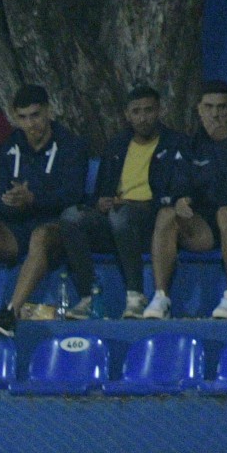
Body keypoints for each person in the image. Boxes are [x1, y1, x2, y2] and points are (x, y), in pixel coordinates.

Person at [0, 85, 91, 338]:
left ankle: (10, 313)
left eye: (35, 115)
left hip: (54, 229)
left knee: (40, 237)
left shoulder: (71, 146)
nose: (30, 123)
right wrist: (10, 201)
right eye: (23, 117)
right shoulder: (9, 147)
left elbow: (73, 196)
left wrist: (33, 199)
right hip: (16, 227)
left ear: (48, 111)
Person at [55, 86, 184, 318]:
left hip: (152, 221)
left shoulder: (175, 143)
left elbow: (175, 193)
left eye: (149, 110)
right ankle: (88, 297)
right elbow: (99, 193)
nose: (143, 118)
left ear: (159, 111)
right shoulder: (117, 145)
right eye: (136, 112)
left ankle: (135, 296)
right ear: (127, 114)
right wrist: (100, 204)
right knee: (71, 217)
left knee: (121, 215)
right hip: (117, 216)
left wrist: (137, 205)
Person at [147, 81, 227, 320]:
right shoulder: (191, 143)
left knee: (226, 212)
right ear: (199, 109)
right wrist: (181, 199)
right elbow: (181, 181)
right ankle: (161, 298)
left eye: (222, 107)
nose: (215, 114)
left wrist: (224, 143)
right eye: (209, 107)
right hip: (204, 226)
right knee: (167, 214)